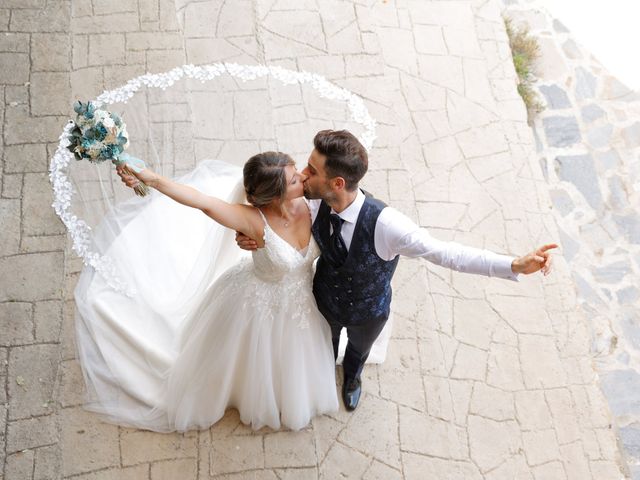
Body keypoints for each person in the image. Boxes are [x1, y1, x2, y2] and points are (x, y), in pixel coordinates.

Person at [236, 129, 557, 411]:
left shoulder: (388, 226)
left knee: (358, 352)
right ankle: (324, 372)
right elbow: (271, 210)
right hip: (321, 302)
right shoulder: (311, 202)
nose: (303, 175)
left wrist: (513, 264)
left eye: (311, 170)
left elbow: (446, 253)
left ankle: (351, 379)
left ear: (337, 182)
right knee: (325, 346)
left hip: (368, 311)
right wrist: (252, 236)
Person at [75, 152, 338, 432]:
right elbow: (202, 202)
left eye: (297, 171)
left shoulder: (312, 201)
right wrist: (151, 179)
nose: (304, 177)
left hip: (300, 305)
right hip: (258, 305)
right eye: (294, 179)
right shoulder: (252, 221)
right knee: (249, 362)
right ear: (276, 195)